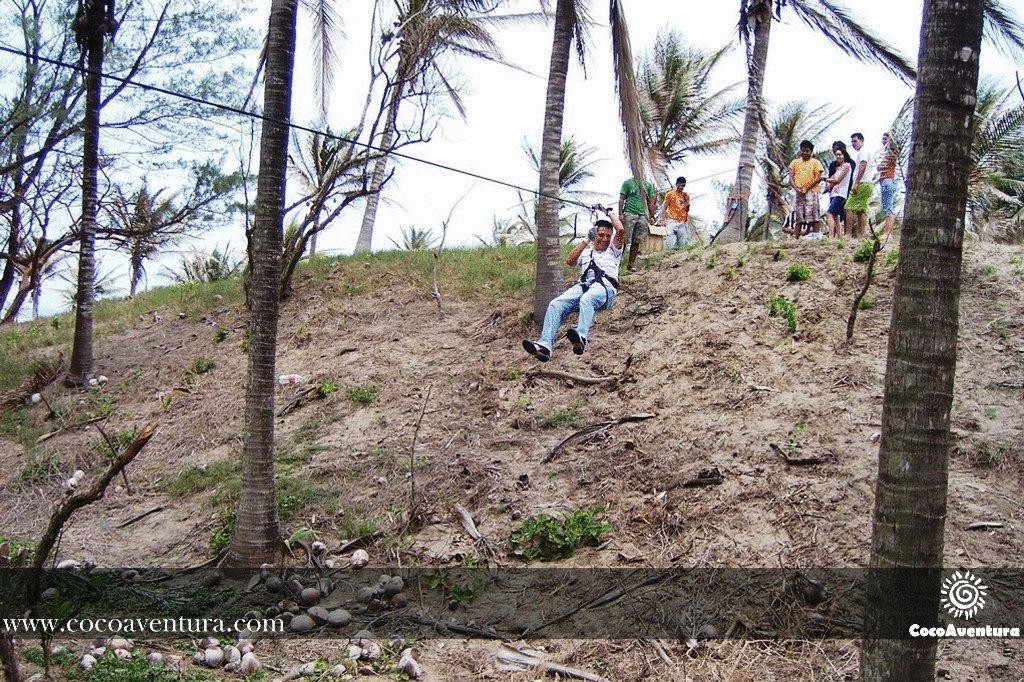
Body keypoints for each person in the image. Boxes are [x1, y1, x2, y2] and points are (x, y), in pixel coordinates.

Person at [523, 210, 624, 361]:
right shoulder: (586, 252)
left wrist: (609, 212)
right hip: (585, 286)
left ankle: (581, 337)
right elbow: (569, 261)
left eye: (608, 236)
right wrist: (586, 239)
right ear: (595, 235)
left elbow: (620, 230)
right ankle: (544, 346)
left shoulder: (613, 251)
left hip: (605, 288)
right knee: (556, 304)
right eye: (601, 235)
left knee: (587, 299)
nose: (604, 239)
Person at [786, 140, 825, 238]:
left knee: (814, 216)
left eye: (807, 151)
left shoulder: (816, 162)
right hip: (799, 193)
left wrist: (806, 188)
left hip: (812, 192)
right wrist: (797, 189)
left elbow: (818, 178)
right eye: (803, 150)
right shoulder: (794, 162)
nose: (804, 153)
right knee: (799, 217)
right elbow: (791, 179)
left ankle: (815, 237)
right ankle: (796, 238)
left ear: (811, 152)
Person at [618, 175, 656, 270]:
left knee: (637, 241)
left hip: (642, 215)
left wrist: (652, 216)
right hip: (629, 213)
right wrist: (620, 213)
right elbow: (622, 198)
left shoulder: (648, 185)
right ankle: (617, 263)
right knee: (624, 240)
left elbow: (650, 202)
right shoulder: (628, 182)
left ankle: (631, 265)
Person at [845, 132, 877, 238]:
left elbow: (863, 166)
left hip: (862, 183)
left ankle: (848, 235)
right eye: (852, 142)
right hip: (867, 183)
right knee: (861, 209)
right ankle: (861, 235)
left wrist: (856, 183)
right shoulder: (865, 151)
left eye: (855, 141)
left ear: (862, 141)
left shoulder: (863, 151)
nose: (853, 144)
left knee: (849, 207)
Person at [655, 176, 700, 248]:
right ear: (676, 184)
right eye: (680, 185)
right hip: (672, 222)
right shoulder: (670, 194)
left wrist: (687, 203)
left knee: (682, 247)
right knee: (670, 246)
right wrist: (661, 219)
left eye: (683, 186)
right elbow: (664, 207)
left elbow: (687, 210)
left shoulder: (686, 195)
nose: (682, 187)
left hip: (682, 223)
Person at [823, 141, 855, 238]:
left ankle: (831, 237)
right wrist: (828, 186)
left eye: (839, 154)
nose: (837, 156)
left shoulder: (848, 165)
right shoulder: (835, 167)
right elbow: (832, 178)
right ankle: (839, 237)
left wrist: (823, 179)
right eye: (836, 154)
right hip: (834, 192)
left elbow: (837, 180)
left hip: (842, 193)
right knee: (835, 215)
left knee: (830, 213)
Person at [877, 131, 899, 239]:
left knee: (889, 208)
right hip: (885, 181)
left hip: (888, 180)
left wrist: (890, 140)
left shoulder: (892, 153)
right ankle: (887, 233)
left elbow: (894, 149)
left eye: (886, 139)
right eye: (883, 139)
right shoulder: (884, 153)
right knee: (887, 208)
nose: (883, 141)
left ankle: (887, 234)